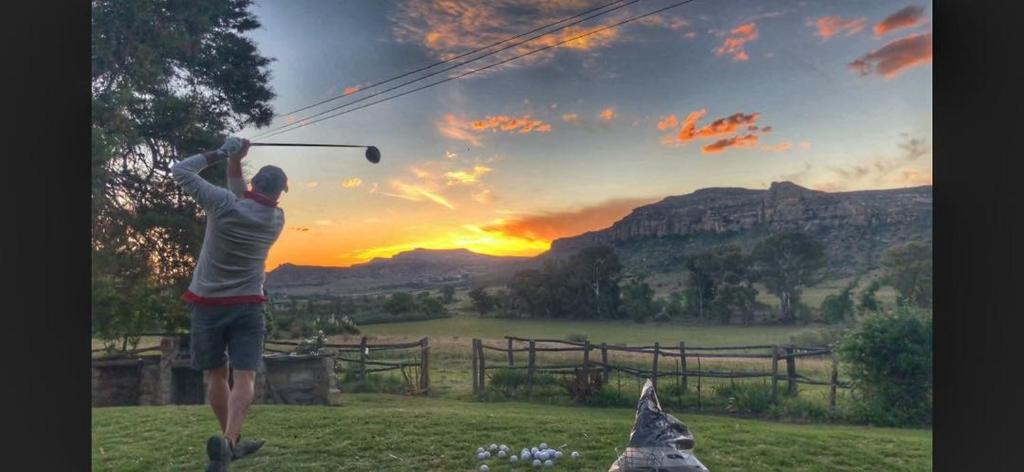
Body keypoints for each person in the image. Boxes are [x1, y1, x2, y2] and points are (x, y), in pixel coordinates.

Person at [171, 137, 287, 471]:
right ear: (280, 192)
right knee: (245, 376)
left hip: (207, 304)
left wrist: (224, 153)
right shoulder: (275, 219)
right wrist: (235, 162)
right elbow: (243, 195)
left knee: (216, 376)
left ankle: (228, 443)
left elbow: (181, 170)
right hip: (249, 305)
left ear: (254, 183)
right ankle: (230, 442)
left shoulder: (222, 204)